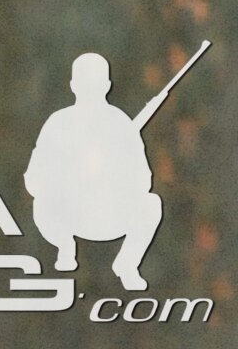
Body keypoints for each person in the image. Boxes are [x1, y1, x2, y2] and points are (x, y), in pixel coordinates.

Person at [28, 50, 171, 292]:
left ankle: (127, 264)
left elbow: (143, 181)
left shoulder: (121, 124)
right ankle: (65, 247)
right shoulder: (58, 123)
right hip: (69, 216)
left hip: (110, 215)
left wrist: (112, 173)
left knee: (151, 204)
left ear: (106, 85)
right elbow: (34, 180)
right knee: (42, 203)